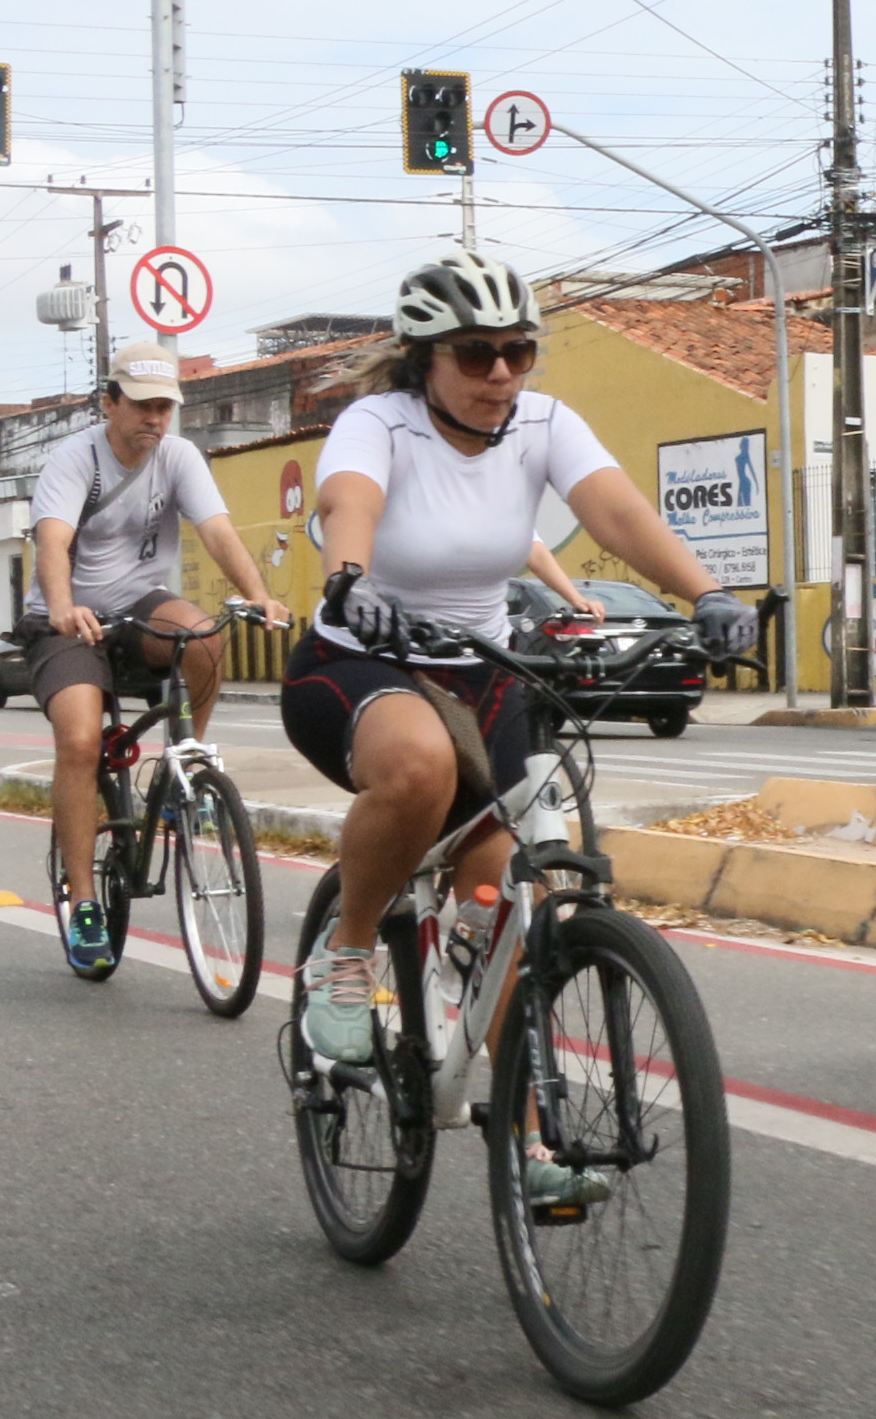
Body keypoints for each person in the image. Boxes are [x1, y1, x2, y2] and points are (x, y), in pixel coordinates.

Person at [284, 249, 758, 1067]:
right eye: (475, 353)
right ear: (424, 359)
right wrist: (348, 579)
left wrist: (706, 592)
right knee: (420, 769)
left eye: (519, 350)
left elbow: (615, 511)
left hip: (481, 672)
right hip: (364, 660)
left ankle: (533, 1141)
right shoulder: (380, 424)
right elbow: (347, 499)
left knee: (507, 902)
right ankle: (347, 952)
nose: (500, 371)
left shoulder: (543, 423)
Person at [25, 336, 290, 977]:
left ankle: (187, 767)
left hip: (140, 603)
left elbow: (217, 530)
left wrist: (259, 595)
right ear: (110, 402)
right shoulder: (74, 459)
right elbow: (53, 542)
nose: (154, 418)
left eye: (165, 407)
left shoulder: (178, 456)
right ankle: (85, 903)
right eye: (142, 405)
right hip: (70, 621)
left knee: (202, 634)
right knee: (83, 741)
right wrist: (62, 604)